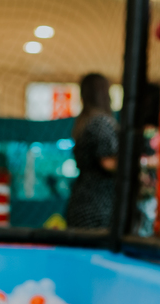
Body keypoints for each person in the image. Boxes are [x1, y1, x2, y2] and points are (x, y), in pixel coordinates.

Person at [65, 73, 119, 230]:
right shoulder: (100, 121)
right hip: (98, 205)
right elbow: (108, 162)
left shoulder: (84, 121)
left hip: (83, 201)